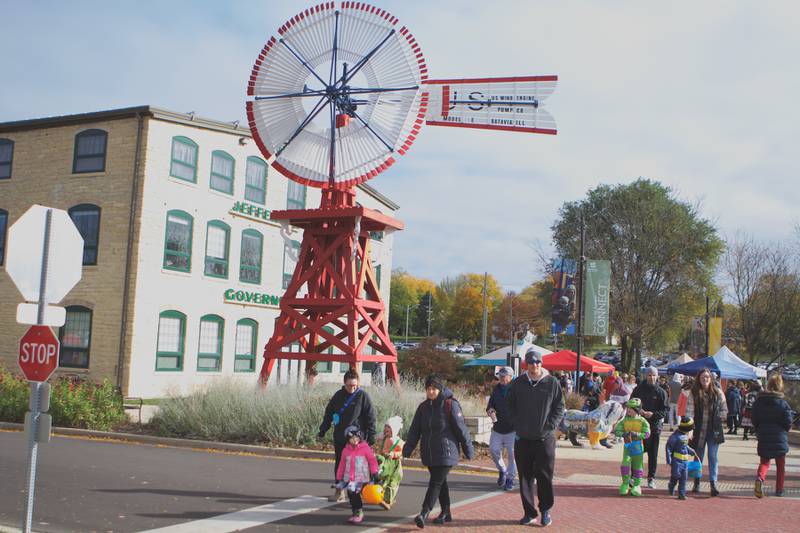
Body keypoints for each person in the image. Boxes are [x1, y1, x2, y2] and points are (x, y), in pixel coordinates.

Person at [403, 374, 474, 528]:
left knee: (435, 482)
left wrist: (468, 449)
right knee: (440, 483)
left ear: (440, 388)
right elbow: (415, 430)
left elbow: (461, 429)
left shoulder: (450, 404)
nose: (431, 392)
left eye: (434, 388)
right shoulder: (423, 407)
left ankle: (424, 512)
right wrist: (408, 448)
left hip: (447, 452)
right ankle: (446, 513)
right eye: (428, 389)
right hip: (430, 452)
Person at [508, 348, 565, 527]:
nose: (535, 366)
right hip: (523, 439)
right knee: (525, 477)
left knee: (544, 476)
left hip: (544, 439)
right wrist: (517, 425)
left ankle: (545, 510)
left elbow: (559, 407)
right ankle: (529, 512)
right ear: (526, 364)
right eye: (532, 362)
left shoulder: (551, 382)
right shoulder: (518, 383)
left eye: (538, 362)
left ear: (542, 363)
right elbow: (510, 405)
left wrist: (550, 426)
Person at [319, 370, 377, 502]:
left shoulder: (363, 396)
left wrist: (371, 434)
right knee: (340, 464)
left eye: (355, 385)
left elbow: (371, 417)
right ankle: (339, 492)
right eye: (350, 385)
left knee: (358, 467)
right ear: (344, 383)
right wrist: (323, 428)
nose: (352, 388)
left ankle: (360, 492)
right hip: (340, 436)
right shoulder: (338, 396)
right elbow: (329, 413)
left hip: (357, 440)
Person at [752, 374, 794, 498]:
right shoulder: (783, 403)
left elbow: (754, 418)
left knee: (764, 462)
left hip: (764, 435)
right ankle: (779, 489)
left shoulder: (759, 402)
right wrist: (785, 429)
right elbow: (788, 421)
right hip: (779, 437)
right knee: (780, 465)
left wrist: (758, 429)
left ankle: (760, 478)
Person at [690, 368, 728, 496]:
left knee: (712, 456)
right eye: (702, 377)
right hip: (699, 430)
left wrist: (719, 417)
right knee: (698, 457)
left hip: (714, 430)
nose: (705, 379)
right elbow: (689, 412)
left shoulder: (718, 393)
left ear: (711, 379)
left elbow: (724, 410)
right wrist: (689, 428)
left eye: (707, 377)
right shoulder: (694, 393)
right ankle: (697, 482)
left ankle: (713, 483)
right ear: (699, 379)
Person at [631, 366, 669, 489]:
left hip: (654, 427)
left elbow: (664, 411)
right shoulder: (638, 389)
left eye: (653, 375)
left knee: (653, 454)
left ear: (657, 376)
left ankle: (651, 477)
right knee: (637, 453)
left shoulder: (661, 392)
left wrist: (653, 414)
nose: (651, 377)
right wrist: (639, 410)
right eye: (649, 375)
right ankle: (634, 476)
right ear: (645, 376)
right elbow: (631, 404)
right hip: (638, 426)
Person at [335, 425, 380, 524]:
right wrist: (339, 477)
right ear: (348, 440)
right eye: (351, 438)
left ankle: (359, 512)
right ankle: (355, 512)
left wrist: (375, 472)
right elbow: (342, 465)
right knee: (351, 495)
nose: (354, 440)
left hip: (362, 477)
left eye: (356, 437)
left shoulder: (365, 448)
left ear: (360, 437)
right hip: (350, 478)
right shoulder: (345, 451)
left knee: (355, 494)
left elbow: (372, 461)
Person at [486, 366, 517, 491]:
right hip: (498, 428)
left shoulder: (516, 390)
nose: (502, 379)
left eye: (504, 376)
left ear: (510, 377)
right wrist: (490, 410)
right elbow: (490, 406)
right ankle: (502, 470)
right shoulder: (496, 390)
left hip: (512, 429)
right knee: (493, 450)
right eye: (500, 376)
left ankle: (510, 478)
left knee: (512, 454)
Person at [614, 397, 651, 496]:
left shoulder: (642, 421)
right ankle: (625, 484)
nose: (629, 409)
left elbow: (647, 433)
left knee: (638, 467)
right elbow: (617, 430)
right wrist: (623, 434)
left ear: (637, 409)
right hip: (628, 447)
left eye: (631, 408)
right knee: (625, 464)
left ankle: (636, 485)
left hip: (638, 447)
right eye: (628, 407)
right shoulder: (624, 421)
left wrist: (638, 435)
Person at [665, 417, 699, 500]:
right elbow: (668, 447)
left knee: (684, 478)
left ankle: (682, 493)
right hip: (677, 461)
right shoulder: (675, 436)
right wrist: (669, 459)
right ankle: (671, 485)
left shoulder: (685, 436)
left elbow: (685, 446)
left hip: (685, 461)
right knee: (676, 475)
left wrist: (691, 451)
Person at [376, 416, 405, 509]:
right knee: (383, 480)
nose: (386, 429)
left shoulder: (398, 441)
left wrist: (394, 454)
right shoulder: (383, 438)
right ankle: (382, 497)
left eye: (389, 427)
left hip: (394, 465)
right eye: (385, 426)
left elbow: (402, 452)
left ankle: (388, 501)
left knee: (392, 482)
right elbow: (380, 449)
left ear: (394, 430)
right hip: (385, 462)